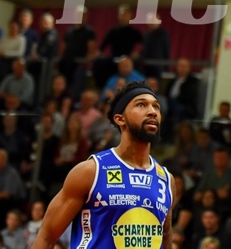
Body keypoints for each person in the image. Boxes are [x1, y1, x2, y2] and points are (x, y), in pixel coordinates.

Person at [32, 81, 175, 248]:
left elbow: (166, 238)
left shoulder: (166, 179)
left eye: (156, 107)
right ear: (120, 119)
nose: (152, 112)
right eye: (141, 105)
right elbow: (47, 236)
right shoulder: (91, 171)